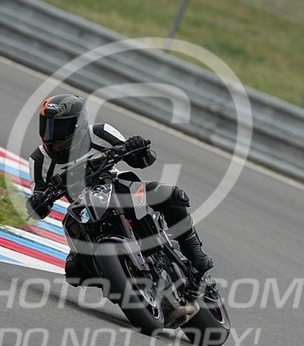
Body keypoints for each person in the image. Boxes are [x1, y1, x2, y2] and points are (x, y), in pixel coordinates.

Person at [26, 94, 213, 291]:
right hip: (84, 209)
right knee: (74, 270)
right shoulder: (39, 159)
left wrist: (137, 148)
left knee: (169, 195)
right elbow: (39, 201)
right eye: (48, 126)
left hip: (118, 188)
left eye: (59, 128)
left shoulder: (100, 132)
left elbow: (143, 160)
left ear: (78, 125)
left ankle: (195, 253)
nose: (52, 134)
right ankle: (117, 277)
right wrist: (37, 202)